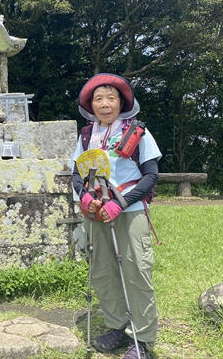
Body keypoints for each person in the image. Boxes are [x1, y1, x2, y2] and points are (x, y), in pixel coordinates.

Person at [71, 73, 161, 359]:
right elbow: (76, 174)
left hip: (130, 211)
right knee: (103, 270)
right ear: (91, 105)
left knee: (136, 271)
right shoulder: (87, 135)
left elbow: (151, 176)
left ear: (122, 103)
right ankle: (116, 325)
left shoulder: (137, 132)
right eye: (98, 99)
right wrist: (86, 199)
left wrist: (120, 204)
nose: (105, 104)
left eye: (111, 98)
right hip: (97, 212)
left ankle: (142, 337)